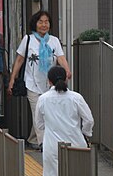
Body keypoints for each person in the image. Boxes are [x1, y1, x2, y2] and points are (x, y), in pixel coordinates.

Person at [8, 9, 71, 150]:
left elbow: (60, 57)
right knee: (38, 112)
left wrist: (67, 70)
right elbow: (19, 60)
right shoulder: (28, 39)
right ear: (35, 24)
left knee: (45, 112)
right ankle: (44, 143)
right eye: (41, 22)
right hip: (32, 82)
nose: (44, 25)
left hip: (50, 84)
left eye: (46, 22)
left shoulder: (54, 41)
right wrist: (12, 79)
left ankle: (33, 138)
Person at [36, 65, 94, 176]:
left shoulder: (43, 99)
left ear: (49, 81)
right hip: (77, 145)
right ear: (66, 79)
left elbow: (39, 124)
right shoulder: (76, 97)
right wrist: (85, 133)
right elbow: (89, 120)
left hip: (53, 147)